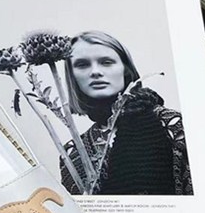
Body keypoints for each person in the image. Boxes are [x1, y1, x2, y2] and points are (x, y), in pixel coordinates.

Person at [60, 31, 193, 195]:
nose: (95, 72)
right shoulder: (72, 153)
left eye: (106, 62)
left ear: (126, 69)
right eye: (82, 64)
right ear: (72, 76)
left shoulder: (174, 125)